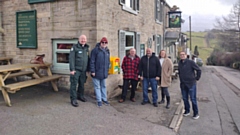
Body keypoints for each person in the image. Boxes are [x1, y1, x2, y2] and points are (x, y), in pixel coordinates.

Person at [178, 51, 201, 119]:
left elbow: (199, 70)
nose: (182, 56)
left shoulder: (191, 62)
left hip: (191, 84)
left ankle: (196, 113)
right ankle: (187, 111)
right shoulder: (180, 63)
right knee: (185, 99)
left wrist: (197, 78)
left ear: (186, 55)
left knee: (193, 99)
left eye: (183, 54)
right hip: (183, 84)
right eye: (181, 55)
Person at [69, 35, 90, 107]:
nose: (83, 40)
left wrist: (88, 69)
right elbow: (71, 59)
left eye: (84, 39)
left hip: (83, 70)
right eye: (82, 39)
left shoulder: (86, 48)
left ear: (86, 40)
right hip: (76, 70)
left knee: (82, 84)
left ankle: (80, 96)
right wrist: (72, 69)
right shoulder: (74, 47)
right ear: (79, 39)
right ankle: (73, 99)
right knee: (74, 84)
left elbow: (87, 59)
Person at [90, 37, 110, 107]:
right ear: (100, 43)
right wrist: (92, 71)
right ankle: (99, 100)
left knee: (104, 86)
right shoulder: (95, 50)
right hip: (96, 71)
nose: (104, 44)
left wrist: (108, 70)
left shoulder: (107, 51)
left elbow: (108, 62)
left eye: (105, 43)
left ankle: (104, 99)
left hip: (104, 72)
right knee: (97, 87)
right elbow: (92, 61)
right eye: (103, 42)